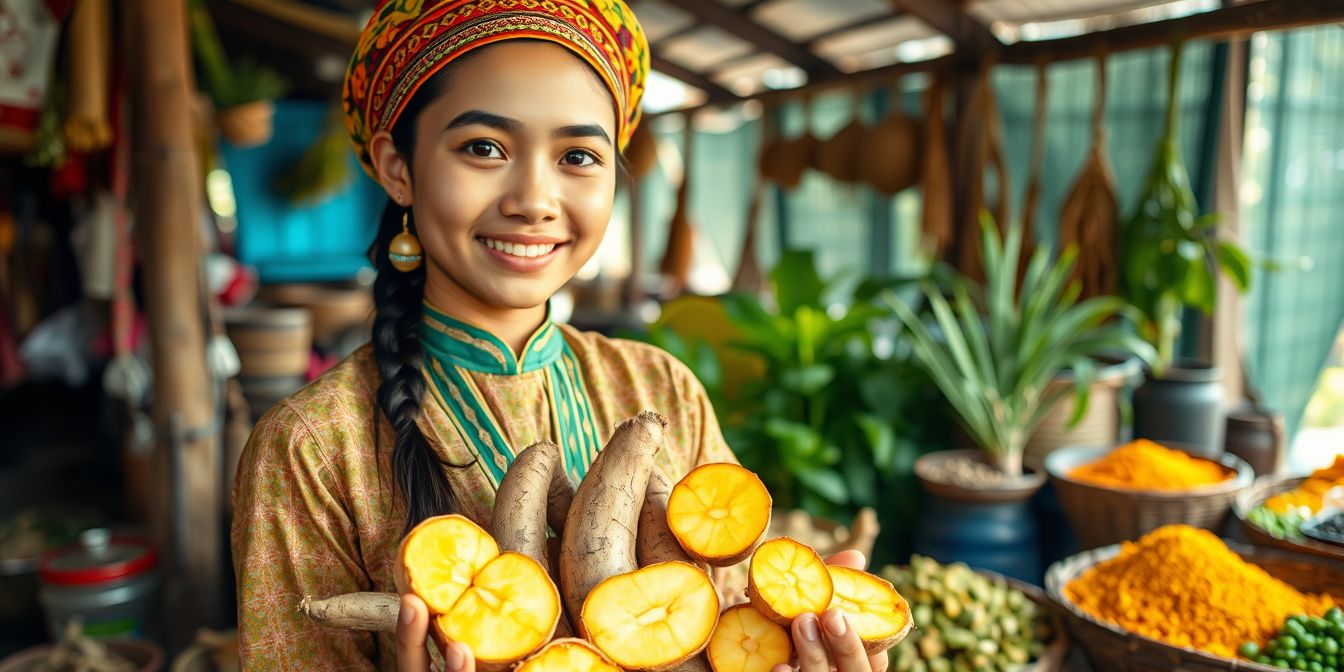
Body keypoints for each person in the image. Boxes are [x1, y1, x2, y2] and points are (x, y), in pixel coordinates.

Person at [230, 2, 887, 671]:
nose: (535, 199)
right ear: (399, 167)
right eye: (484, 147)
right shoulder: (311, 449)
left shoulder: (661, 390)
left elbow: (733, 628)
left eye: (578, 155)